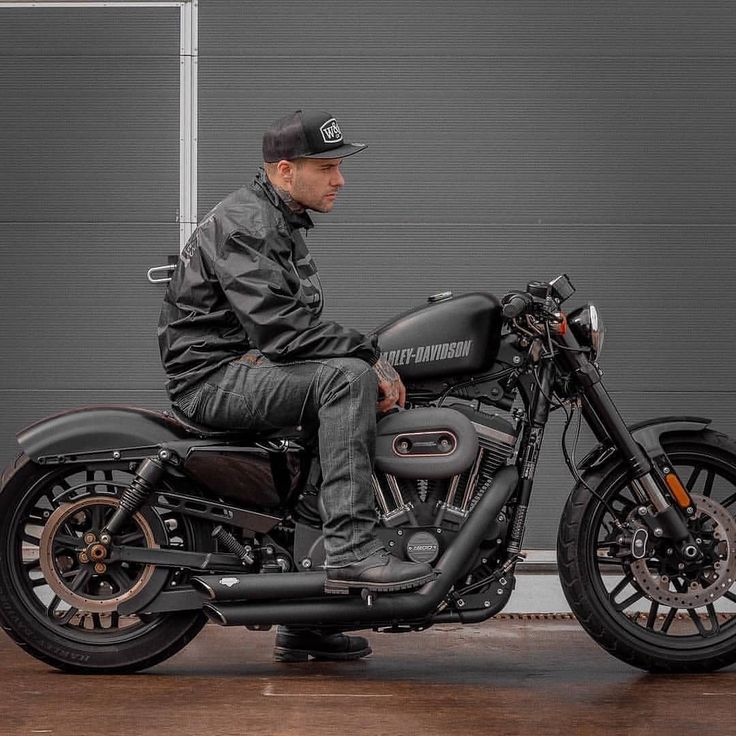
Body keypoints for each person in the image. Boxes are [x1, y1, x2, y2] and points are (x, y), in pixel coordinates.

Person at [158, 109, 433, 662]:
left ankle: (306, 621)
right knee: (346, 381)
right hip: (212, 379)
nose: (340, 180)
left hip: (243, 367)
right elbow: (282, 331)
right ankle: (352, 551)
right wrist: (369, 355)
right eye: (328, 166)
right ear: (286, 171)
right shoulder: (249, 221)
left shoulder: (276, 219)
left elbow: (290, 329)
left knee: (335, 404)